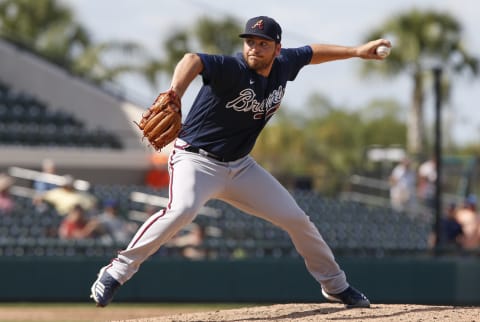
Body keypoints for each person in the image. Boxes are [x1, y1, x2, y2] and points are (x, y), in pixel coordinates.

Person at [91, 16, 390, 308]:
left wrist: (356, 51)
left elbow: (312, 53)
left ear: (277, 48)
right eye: (250, 42)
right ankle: (116, 271)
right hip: (196, 160)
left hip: (241, 166)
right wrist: (175, 94)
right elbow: (191, 59)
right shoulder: (231, 67)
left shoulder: (284, 65)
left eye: (262, 43)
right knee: (181, 210)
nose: (254, 48)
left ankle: (335, 286)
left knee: (297, 220)